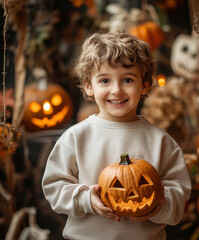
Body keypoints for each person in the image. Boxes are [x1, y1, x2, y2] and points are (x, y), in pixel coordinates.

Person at [42, 32, 191, 240]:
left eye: (128, 80)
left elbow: (178, 196)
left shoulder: (161, 142)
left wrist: (157, 207)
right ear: (88, 85)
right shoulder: (76, 138)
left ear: (145, 85)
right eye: (104, 80)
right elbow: (54, 187)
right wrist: (87, 200)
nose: (117, 90)